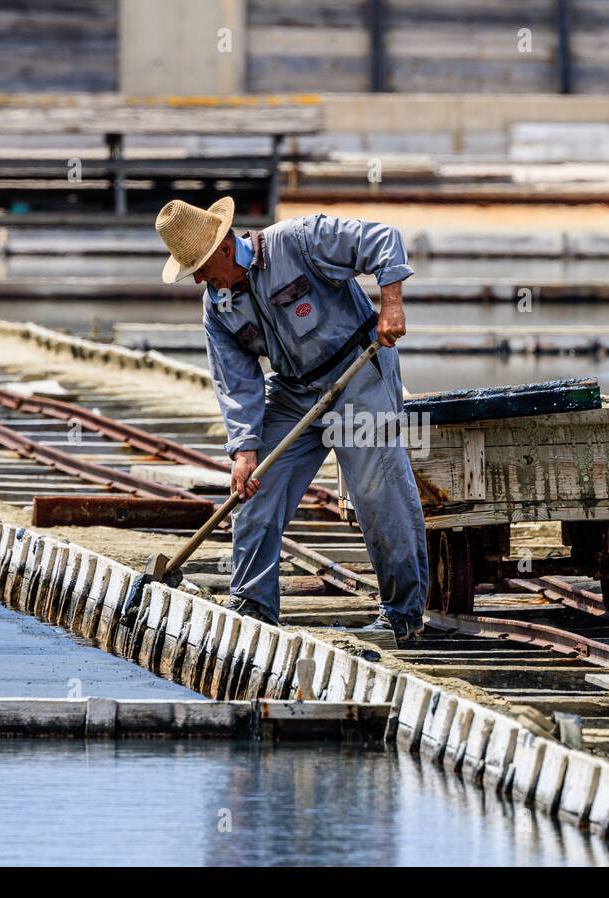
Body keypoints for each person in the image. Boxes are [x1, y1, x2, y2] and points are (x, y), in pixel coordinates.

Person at [154, 197, 428, 639]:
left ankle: (402, 617)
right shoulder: (216, 306)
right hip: (294, 388)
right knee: (256, 486)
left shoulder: (298, 241)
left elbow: (382, 239)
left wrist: (391, 303)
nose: (200, 278)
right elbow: (235, 379)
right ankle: (253, 608)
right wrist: (243, 450)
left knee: (378, 492)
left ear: (226, 248)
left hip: (357, 372)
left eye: (202, 266)